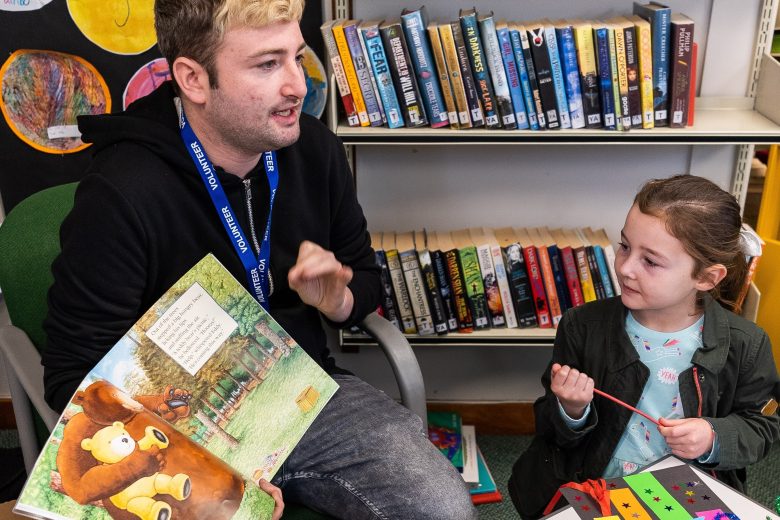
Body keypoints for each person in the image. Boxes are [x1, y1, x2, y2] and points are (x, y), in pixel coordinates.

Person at [41, 0, 478, 518]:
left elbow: (366, 283)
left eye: (296, 56)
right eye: (267, 64)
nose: (296, 85)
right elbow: (74, 376)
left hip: (306, 395)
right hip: (176, 430)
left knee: (442, 509)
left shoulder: (315, 150)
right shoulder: (122, 192)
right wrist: (206, 471)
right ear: (194, 79)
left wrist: (338, 297)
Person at [508, 174, 780, 519]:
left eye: (650, 261)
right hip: (597, 490)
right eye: (625, 246)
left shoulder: (747, 344)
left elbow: (763, 426)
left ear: (707, 278)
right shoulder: (582, 325)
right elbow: (550, 429)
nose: (625, 268)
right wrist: (571, 410)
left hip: (688, 496)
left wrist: (713, 436)